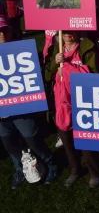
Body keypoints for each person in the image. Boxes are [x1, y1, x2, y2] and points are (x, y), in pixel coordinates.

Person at [0, 15, 57, 189]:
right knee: (9, 142)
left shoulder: (23, 50)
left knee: (32, 139)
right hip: (2, 111)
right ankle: (20, 169)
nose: (2, 33)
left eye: (4, 29)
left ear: (11, 30)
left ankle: (50, 163)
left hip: (22, 107)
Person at [44, 31, 99, 188]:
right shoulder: (55, 49)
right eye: (64, 31)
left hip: (83, 101)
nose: (68, 34)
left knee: (85, 138)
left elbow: (94, 75)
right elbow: (47, 75)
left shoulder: (87, 48)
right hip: (62, 103)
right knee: (66, 140)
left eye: (70, 30)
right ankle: (75, 169)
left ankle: (94, 172)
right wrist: (56, 63)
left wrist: (69, 69)